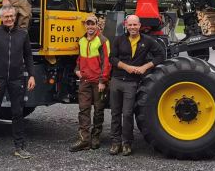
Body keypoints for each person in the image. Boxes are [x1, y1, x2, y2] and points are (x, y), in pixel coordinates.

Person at [0, 5, 36, 161]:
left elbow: (29, 56)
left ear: (15, 16)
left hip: (17, 79)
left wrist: (31, 76)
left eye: (11, 16)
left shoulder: (23, 34)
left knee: (18, 113)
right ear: (1, 18)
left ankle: (19, 147)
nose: (9, 19)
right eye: (6, 16)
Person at [108, 15, 165, 156]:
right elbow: (112, 58)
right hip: (116, 80)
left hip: (132, 83)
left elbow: (161, 55)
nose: (132, 27)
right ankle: (116, 142)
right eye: (130, 25)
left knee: (127, 114)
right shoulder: (118, 39)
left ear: (139, 26)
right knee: (115, 113)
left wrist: (146, 66)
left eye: (135, 25)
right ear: (125, 25)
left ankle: (127, 143)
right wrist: (126, 67)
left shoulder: (147, 41)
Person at [69, 15, 111, 152]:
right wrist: (77, 70)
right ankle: (84, 140)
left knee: (98, 110)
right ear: (85, 26)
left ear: (97, 25)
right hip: (85, 81)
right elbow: (80, 58)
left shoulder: (103, 41)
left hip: (98, 82)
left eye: (92, 24)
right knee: (84, 110)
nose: (90, 27)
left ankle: (95, 137)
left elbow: (106, 62)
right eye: (88, 24)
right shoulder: (81, 40)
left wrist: (103, 80)